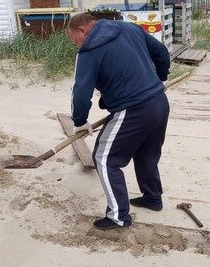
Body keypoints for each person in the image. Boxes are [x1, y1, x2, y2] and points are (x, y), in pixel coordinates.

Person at [68, 13, 170, 230]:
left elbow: (80, 92)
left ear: (82, 31)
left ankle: (118, 216)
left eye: (74, 40)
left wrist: (80, 121)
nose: (75, 45)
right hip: (160, 102)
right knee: (147, 153)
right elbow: (161, 52)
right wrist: (161, 77)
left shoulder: (88, 51)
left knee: (104, 159)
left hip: (133, 110)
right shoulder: (129, 28)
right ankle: (152, 198)